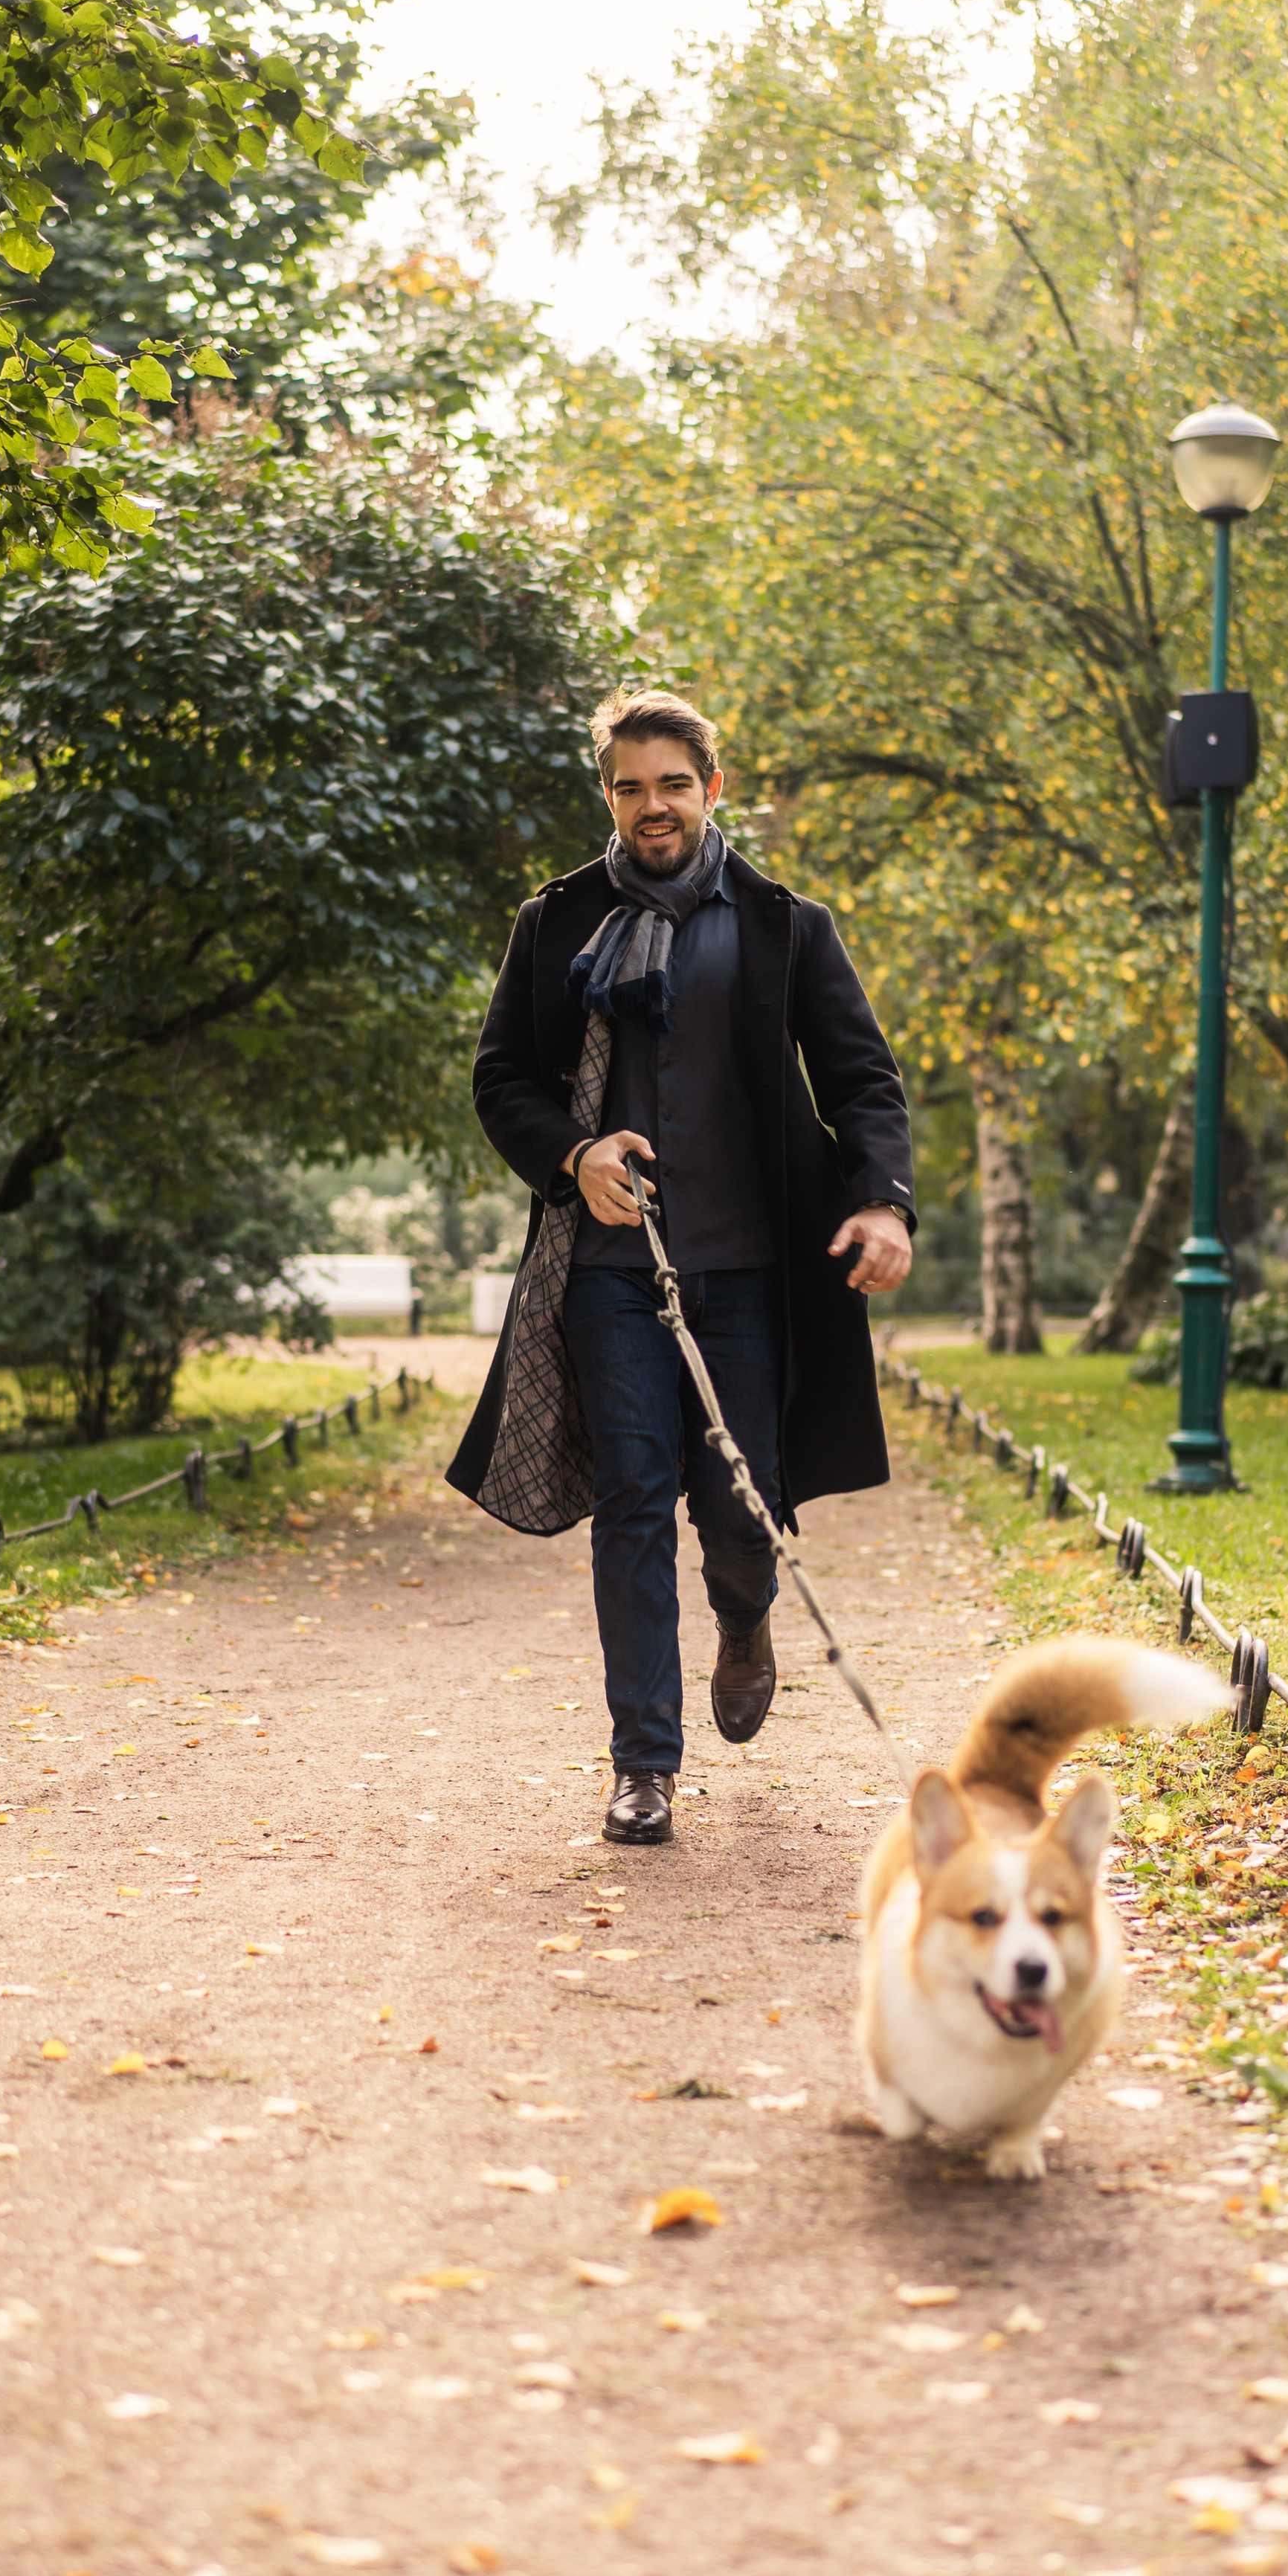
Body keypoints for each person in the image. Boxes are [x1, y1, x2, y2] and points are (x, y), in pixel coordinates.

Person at [447, 689, 914, 1845]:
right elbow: (502, 1076)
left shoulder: (782, 924)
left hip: (752, 1271)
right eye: (628, 786)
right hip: (611, 1274)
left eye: (672, 784)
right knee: (634, 1508)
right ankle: (644, 1764)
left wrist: (883, 1203)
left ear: (712, 787)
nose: (651, 806)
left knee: (742, 1507)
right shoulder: (554, 922)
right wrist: (573, 1149)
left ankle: (745, 1617)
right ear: (606, 795)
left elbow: (862, 1079)